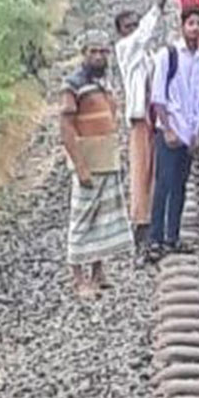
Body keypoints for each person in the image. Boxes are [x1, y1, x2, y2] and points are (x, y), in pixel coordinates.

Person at [60, 30, 134, 294]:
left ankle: (98, 272)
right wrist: (79, 166)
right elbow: (66, 128)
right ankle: (79, 279)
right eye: (94, 51)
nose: (99, 56)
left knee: (104, 219)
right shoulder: (73, 84)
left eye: (104, 52)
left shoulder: (104, 83)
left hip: (107, 160)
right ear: (83, 54)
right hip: (89, 162)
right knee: (82, 219)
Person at [148, 3, 199, 260]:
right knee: (163, 184)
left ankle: (172, 237)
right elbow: (158, 97)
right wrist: (167, 129)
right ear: (183, 25)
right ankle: (155, 239)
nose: (195, 28)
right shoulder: (169, 55)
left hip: (190, 133)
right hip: (170, 131)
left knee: (180, 186)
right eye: (191, 23)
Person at [114, 0, 172, 266]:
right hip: (140, 120)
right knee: (141, 171)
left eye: (136, 24)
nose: (134, 29)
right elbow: (143, 37)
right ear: (121, 32)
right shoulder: (126, 49)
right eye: (129, 26)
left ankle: (153, 220)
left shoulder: (147, 55)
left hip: (154, 120)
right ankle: (141, 224)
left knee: (156, 171)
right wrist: (159, 3)